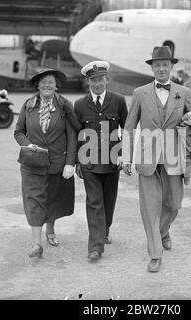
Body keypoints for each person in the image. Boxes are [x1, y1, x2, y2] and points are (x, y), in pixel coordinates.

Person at [121, 46, 191, 273]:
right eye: (157, 65)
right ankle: (155, 252)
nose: (161, 68)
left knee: (174, 204)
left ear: (171, 67)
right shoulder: (140, 93)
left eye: (165, 65)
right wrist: (126, 157)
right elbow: (129, 127)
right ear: (152, 67)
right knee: (150, 207)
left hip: (175, 156)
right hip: (147, 157)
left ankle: (163, 231)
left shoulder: (184, 91)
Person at [14, 68, 80, 258]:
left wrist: (70, 163)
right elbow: (18, 131)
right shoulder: (28, 105)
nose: (47, 85)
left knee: (52, 199)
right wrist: (28, 144)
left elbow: (72, 136)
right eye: (43, 82)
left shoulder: (65, 106)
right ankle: (36, 244)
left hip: (57, 163)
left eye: (51, 82)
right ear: (38, 85)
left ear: (56, 85)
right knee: (34, 200)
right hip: (32, 162)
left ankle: (50, 231)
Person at [74, 61, 128, 262]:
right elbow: (76, 133)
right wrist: (76, 161)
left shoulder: (118, 101)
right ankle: (95, 246)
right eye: (92, 80)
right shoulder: (79, 105)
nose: (97, 83)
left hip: (112, 162)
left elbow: (127, 130)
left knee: (108, 200)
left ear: (107, 79)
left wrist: (125, 156)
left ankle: (105, 229)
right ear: (87, 82)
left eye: (100, 79)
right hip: (88, 163)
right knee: (94, 202)